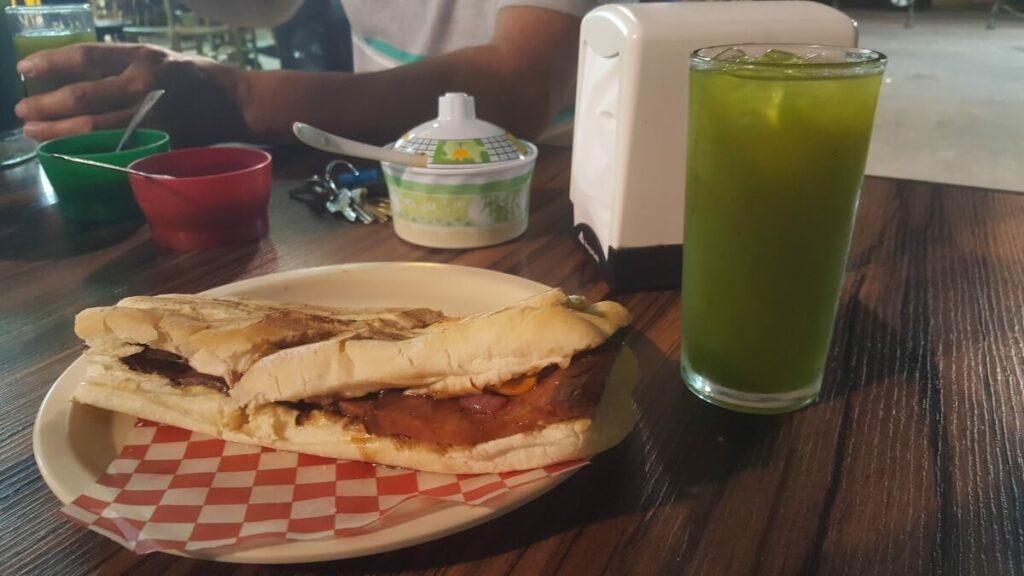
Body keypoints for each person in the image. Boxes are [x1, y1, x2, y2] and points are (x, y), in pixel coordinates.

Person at [13, 0, 595, 147]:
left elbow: (521, 84)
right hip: (363, 165)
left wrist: (238, 94)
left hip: (547, 175)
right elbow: (268, 7)